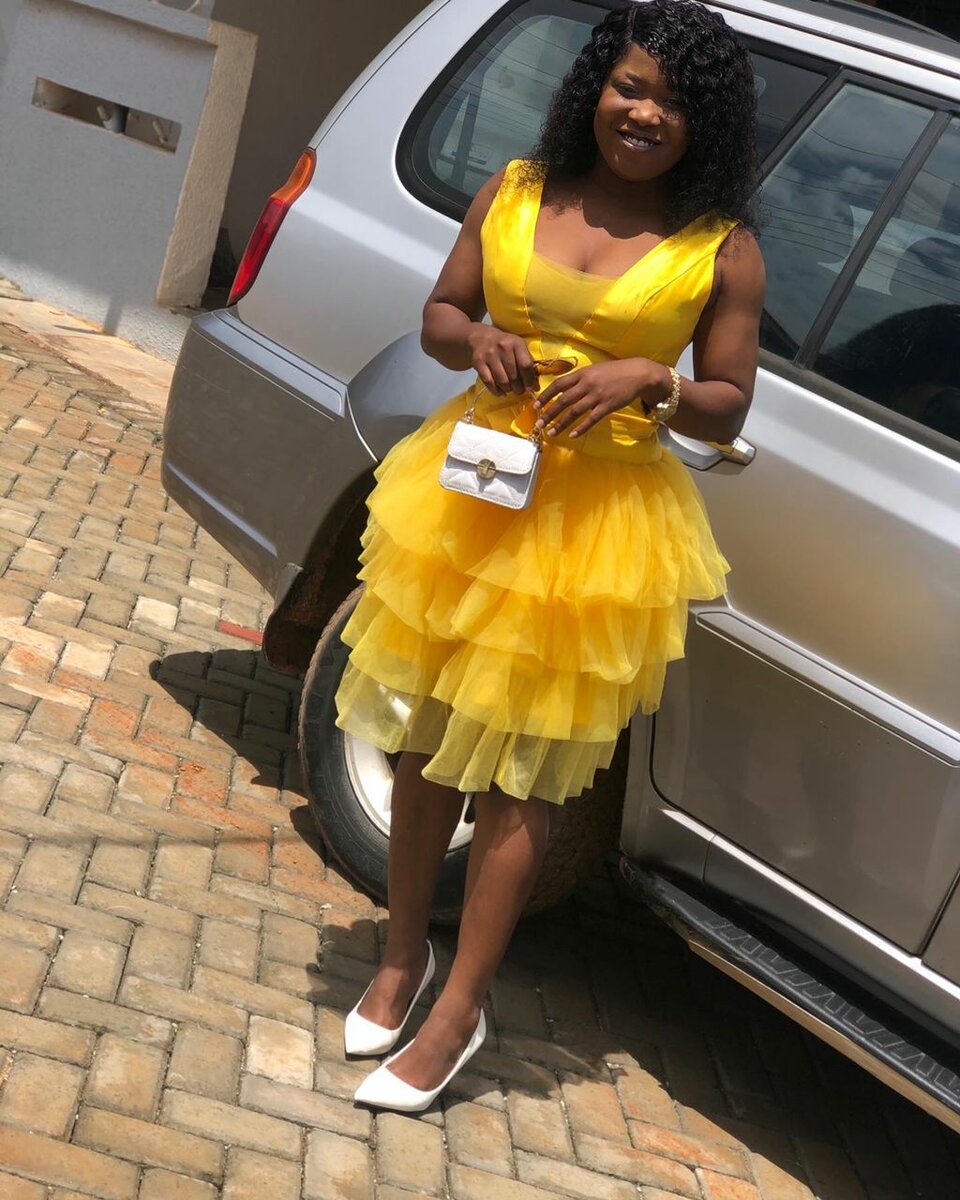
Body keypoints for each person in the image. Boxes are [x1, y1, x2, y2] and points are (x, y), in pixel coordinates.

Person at [336, 0, 765, 1113]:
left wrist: (652, 380)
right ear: (596, 87)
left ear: (705, 122)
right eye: (631, 86)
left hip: (594, 528)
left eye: (675, 101)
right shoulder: (518, 188)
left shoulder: (721, 248)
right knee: (428, 742)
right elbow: (439, 314)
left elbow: (727, 400)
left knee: (521, 777)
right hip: (476, 491)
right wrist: (478, 337)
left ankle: (460, 1008)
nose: (645, 113)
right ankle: (401, 958)